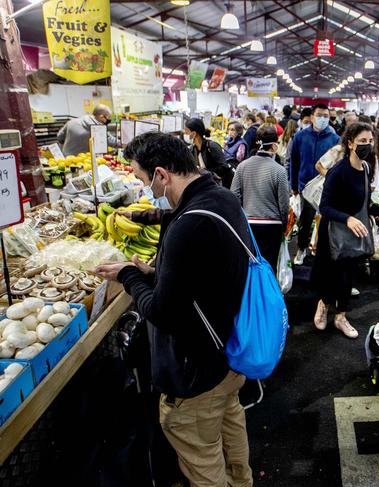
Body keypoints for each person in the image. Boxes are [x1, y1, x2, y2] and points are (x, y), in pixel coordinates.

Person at [94, 132, 254, 487]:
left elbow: (163, 313)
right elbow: (202, 275)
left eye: (141, 178)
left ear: (162, 174)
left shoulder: (188, 226)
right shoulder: (222, 199)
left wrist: (130, 275)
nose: (143, 185)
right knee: (230, 430)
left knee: (202, 457)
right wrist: (156, 271)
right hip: (229, 355)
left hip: (196, 372)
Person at [312, 122, 375, 339]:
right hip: (333, 234)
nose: (368, 145)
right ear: (350, 143)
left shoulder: (366, 168)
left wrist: (374, 211)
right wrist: (347, 218)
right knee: (330, 277)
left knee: (348, 278)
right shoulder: (338, 172)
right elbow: (325, 207)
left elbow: (364, 200)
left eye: (370, 141)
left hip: (354, 234)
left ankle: (341, 317)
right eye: (362, 142)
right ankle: (322, 306)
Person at [231, 126, 289, 273]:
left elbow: (234, 196)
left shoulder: (242, 167)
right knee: (269, 266)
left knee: (249, 266)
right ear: (274, 145)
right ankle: (268, 294)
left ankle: (251, 294)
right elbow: (284, 203)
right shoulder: (279, 170)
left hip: (248, 224)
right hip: (272, 226)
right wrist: (284, 224)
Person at [290, 103, 341, 266]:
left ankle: (324, 252)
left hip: (326, 188)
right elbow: (294, 162)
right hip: (305, 185)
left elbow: (337, 164)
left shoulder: (335, 139)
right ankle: (301, 248)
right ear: (312, 117)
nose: (323, 119)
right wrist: (294, 185)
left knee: (326, 222)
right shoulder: (300, 137)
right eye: (320, 115)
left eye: (326, 116)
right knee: (305, 220)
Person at [184, 118, 232, 185]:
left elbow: (224, 167)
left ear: (194, 133)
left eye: (186, 131)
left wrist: (205, 172)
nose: (184, 133)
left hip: (218, 185)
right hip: (205, 184)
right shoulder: (193, 149)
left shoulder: (212, 146)